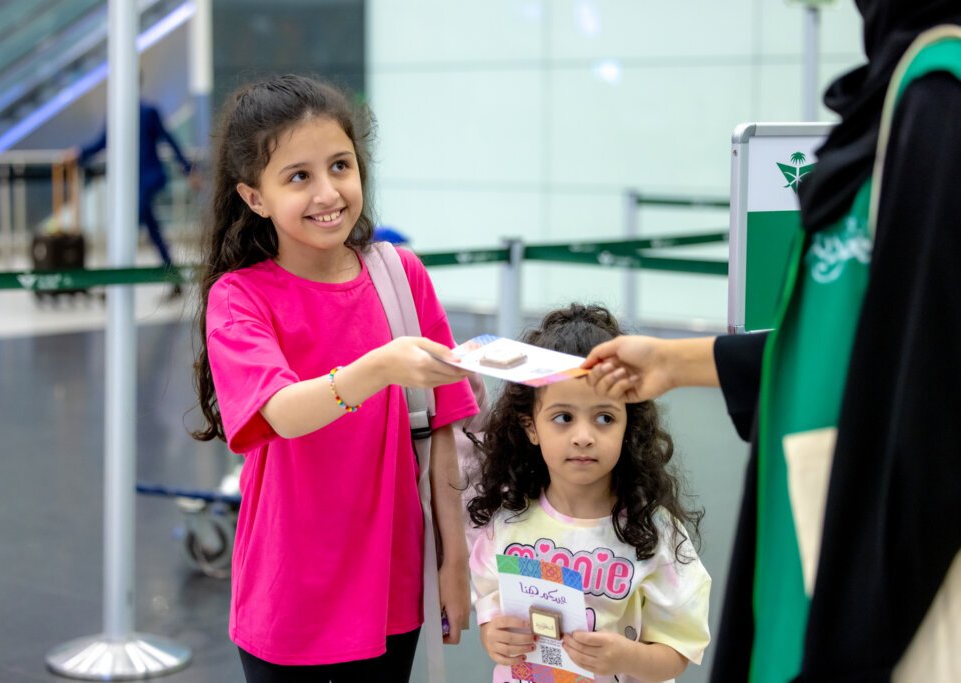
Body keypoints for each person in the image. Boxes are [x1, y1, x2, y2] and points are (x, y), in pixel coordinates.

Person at [582, 3, 961, 681]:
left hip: (884, 583)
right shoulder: (909, 89)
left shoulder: (942, 100)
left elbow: (932, 389)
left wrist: (854, 637)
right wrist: (673, 360)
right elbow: (858, 343)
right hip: (831, 542)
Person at [190, 74, 479, 683]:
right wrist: (380, 367)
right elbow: (280, 412)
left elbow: (444, 432)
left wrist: (454, 560)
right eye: (298, 176)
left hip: (394, 583)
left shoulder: (401, 275)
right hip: (289, 592)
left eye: (340, 166)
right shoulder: (240, 297)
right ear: (255, 197)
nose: (328, 192)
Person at [467, 304, 711, 683]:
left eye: (604, 418)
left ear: (628, 426)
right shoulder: (506, 521)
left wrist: (626, 657)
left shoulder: (655, 531)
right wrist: (493, 637)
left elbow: (679, 652)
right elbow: (492, 614)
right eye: (563, 417)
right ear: (531, 427)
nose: (583, 436)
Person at [77, 94, 200, 297]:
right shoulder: (117, 112)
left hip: (148, 180)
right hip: (131, 183)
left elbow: (168, 139)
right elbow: (103, 142)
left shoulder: (147, 112)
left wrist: (188, 169)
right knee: (151, 230)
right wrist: (79, 154)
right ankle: (172, 278)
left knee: (129, 225)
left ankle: (115, 281)